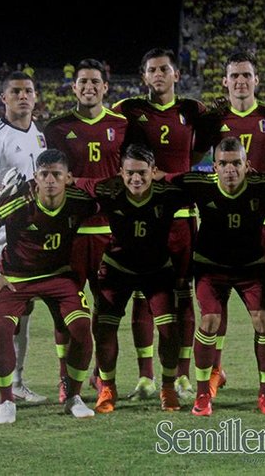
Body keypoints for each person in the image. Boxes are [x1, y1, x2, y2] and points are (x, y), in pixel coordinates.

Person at [199, 50, 265, 401]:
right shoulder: (214, 120)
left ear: (256, 80)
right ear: (225, 81)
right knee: (218, 302)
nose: (241, 81)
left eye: (247, 75)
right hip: (221, 227)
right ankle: (215, 371)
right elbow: (189, 158)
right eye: (235, 76)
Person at [0, 149, 98, 424]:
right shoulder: (19, 202)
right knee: (1, 329)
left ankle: (73, 397)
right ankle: (6, 401)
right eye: (44, 174)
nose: (50, 180)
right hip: (17, 278)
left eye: (56, 175)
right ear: (35, 178)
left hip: (60, 277)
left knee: (81, 328)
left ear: (68, 178)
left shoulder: (80, 201)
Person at [111, 48, 208, 401]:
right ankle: (145, 377)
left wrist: (175, 176)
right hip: (144, 219)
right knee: (142, 296)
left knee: (183, 297)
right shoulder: (129, 111)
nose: (158, 75)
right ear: (144, 76)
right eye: (152, 70)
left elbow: (196, 154)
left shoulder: (192, 111)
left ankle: (182, 376)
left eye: (164, 69)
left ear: (176, 75)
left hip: (181, 217)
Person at [168, 137, 265, 417]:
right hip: (210, 268)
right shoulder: (200, 185)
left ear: (248, 166)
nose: (230, 169)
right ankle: (203, 393)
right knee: (209, 321)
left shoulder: (263, 185)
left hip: (250, 268)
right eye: (223, 163)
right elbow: (165, 180)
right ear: (214, 167)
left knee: (264, 321)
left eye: (236, 163)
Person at [75, 144, 188, 413]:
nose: (135, 179)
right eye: (129, 173)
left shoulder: (168, 193)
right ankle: (108, 389)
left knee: (170, 330)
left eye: (142, 173)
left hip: (157, 270)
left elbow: (201, 185)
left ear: (153, 172)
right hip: (117, 268)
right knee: (104, 328)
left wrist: (170, 177)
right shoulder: (109, 189)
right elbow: (80, 183)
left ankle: (168, 388)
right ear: (120, 173)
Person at [43, 59, 128, 402]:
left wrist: (86, 184)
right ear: (74, 87)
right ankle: (66, 379)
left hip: (112, 232)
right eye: (83, 82)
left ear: (106, 87)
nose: (89, 87)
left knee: (106, 315)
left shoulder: (122, 125)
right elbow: (50, 179)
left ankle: (105, 380)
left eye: (95, 81)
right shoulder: (57, 128)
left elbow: (126, 176)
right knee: (66, 314)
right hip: (71, 234)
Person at [0, 71, 48, 414]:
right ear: (3, 98)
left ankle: (17, 383)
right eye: (15, 91)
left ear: (35, 97)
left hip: (30, 239)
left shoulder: (38, 135)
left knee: (25, 313)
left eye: (28, 91)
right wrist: (2, 196)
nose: (23, 96)